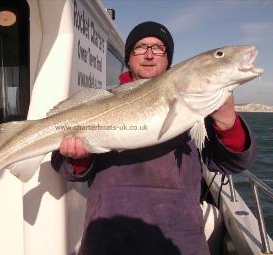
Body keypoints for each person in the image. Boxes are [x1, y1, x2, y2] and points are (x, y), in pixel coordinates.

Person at [51, 21, 256, 255]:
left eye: (158, 48)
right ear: (129, 57)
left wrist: (227, 122)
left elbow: (231, 163)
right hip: (109, 238)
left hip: (180, 239)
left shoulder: (197, 105)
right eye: (140, 47)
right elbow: (64, 168)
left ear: (168, 59)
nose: (149, 54)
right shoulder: (101, 103)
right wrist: (79, 158)